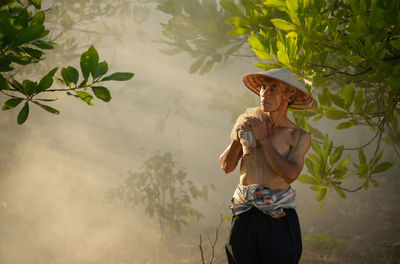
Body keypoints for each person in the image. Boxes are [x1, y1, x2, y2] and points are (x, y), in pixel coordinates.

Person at [220, 68, 314, 264]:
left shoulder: (298, 136)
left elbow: (290, 174)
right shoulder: (247, 122)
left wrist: (264, 139)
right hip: (244, 211)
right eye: (263, 87)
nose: (265, 93)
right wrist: (237, 140)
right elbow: (226, 167)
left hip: (277, 216)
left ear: (288, 96)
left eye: (273, 88)